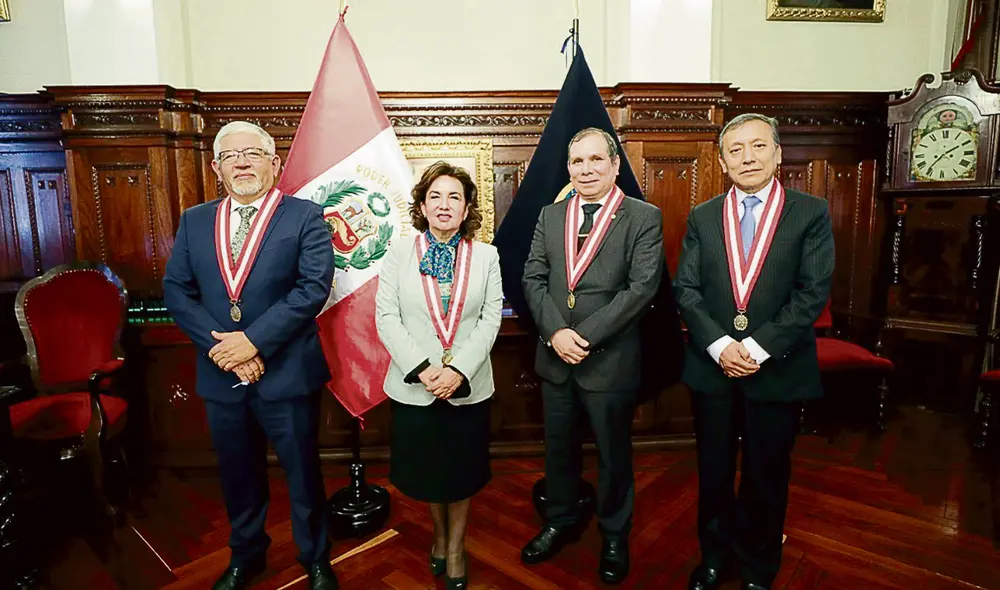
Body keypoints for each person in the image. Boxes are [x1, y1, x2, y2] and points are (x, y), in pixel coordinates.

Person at [163, 121, 338, 590]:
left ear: (274, 163)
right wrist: (228, 349)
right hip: (222, 374)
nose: (242, 162)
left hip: (287, 372)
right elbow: (177, 292)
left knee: (303, 474)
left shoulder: (304, 216)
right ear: (217, 167)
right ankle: (246, 557)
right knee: (238, 474)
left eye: (253, 153)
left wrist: (254, 342)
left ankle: (316, 558)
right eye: (231, 155)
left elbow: (312, 289)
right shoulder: (195, 220)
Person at [674, 113, 834, 590]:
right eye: (736, 150)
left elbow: (813, 291)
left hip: (778, 369)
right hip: (714, 368)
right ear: (723, 162)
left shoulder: (810, 212)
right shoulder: (703, 216)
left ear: (778, 154)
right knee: (714, 472)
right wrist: (722, 346)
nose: (748, 157)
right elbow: (686, 289)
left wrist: (758, 347)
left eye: (757, 146)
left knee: (767, 474)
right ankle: (715, 559)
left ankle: (760, 565)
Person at [519, 127, 665, 585]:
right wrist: (556, 333)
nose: (586, 169)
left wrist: (582, 336)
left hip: (610, 361)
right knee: (558, 451)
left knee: (612, 455)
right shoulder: (550, 215)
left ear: (615, 164)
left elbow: (641, 289)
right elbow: (533, 278)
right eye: (577, 161)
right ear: (568, 168)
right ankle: (559, 522)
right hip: (556, 358)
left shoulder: (643, 217)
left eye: (595, 160)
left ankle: (615, 534)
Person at [375, 161, 502, 590]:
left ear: (467, 209)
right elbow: (386, 316)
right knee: (430, 473)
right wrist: (427, 370)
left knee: (462, 472)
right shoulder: (397, 254)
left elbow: (489, 320)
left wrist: (458, 371)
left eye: (454, 197)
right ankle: (440, 535)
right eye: (436, 196)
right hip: (417, 385)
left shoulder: (486, 256)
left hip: (468, 388)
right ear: (423, 206)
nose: (445, 205)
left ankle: (456, 547)